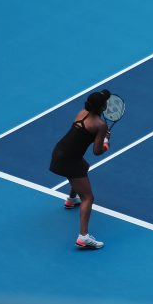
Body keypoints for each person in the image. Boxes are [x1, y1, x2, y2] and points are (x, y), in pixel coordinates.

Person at [49, 89, 112, 249]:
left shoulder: (82, 113)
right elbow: (97, 151)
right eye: (105, 101)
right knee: (89, 197)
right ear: (102, 107)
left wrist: (100, 136)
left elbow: (82, 136)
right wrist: (106, 143)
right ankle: (83, 237)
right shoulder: (100, 125)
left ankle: (71, 199)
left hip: (59, 152)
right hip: (68, 161)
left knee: (84, 166)